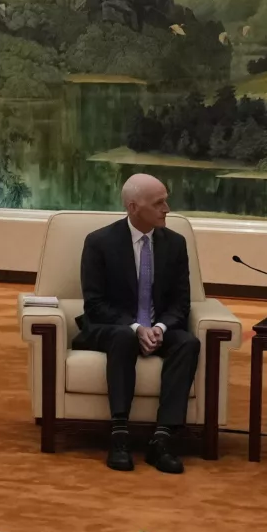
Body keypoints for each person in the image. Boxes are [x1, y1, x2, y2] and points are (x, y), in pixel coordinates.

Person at [72, 173, 196, 476]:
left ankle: (162, 439)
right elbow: (95, 303)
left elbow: (181, 302)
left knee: (188, 343)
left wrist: (160, 328)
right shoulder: (99, 242)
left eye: (166, 201)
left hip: (157, 327)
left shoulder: (175, 244)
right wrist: (135, 328)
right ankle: (119, 436)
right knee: (123, 338)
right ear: (133, 207)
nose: (167, 208)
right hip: (112, 328)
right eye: (159, 203)